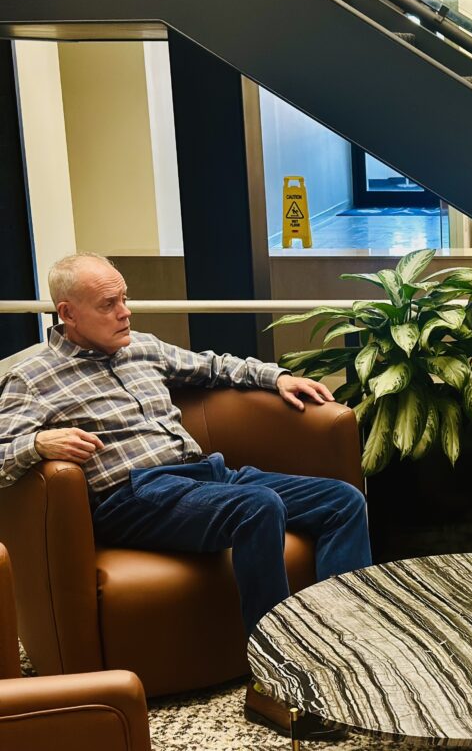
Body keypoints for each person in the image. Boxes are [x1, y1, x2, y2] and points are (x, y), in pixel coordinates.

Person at [0, 253, 370, 740]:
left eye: (125, 298)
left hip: (208, 475)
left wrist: (276, 377)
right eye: (109, 304)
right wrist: (39, 444)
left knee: (343, 500)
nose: (125, 312)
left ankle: (350, 650)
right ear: (67, 313)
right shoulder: (31, 378)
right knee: (259, 507)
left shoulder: (142, 347)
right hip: (134, 494)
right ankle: (276, 679)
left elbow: (215, 367)